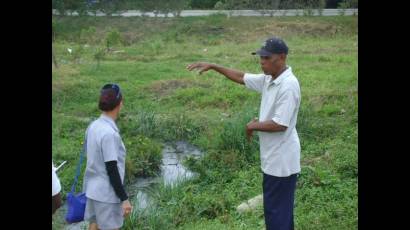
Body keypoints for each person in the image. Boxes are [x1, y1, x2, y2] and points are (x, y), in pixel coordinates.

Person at [187, 37, 301, 230]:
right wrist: (214, 66)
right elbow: (241, 77)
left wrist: (252, 126)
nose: (262, 61)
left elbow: (280, 124)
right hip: (273, 158)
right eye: (261, 57)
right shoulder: (269, 79)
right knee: (279, 212)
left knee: (276, 215)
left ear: (281, 57)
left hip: (281, 162)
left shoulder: (288, 85)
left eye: (266, 57)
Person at [82, 83, 133, 230]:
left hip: (92, 190)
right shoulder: (109, 134)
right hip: (106, 195)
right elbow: (112, 168)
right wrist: (124, 199)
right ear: (120, 103)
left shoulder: (93, 126)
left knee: (94, 224)